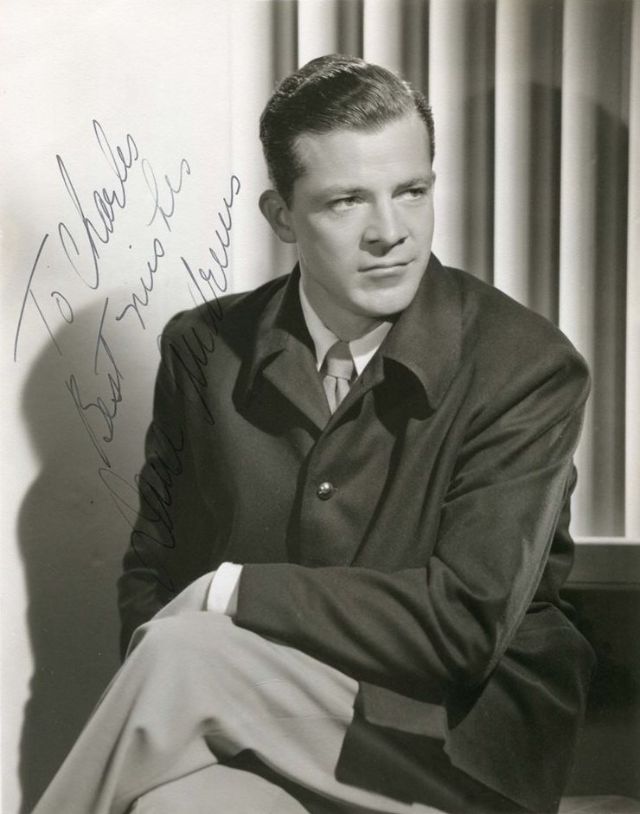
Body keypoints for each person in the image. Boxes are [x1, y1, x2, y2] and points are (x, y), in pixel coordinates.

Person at [32, 54, 594, 814]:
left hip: (449, 745)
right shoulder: (204, 348)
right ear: (282, 216)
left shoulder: (524, 364)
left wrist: (233, 590)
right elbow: (154, 577)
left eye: (412, 191)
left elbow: (464, 625)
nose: (390, 233)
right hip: (257, 713)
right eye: (345, 202)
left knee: (183, 655)